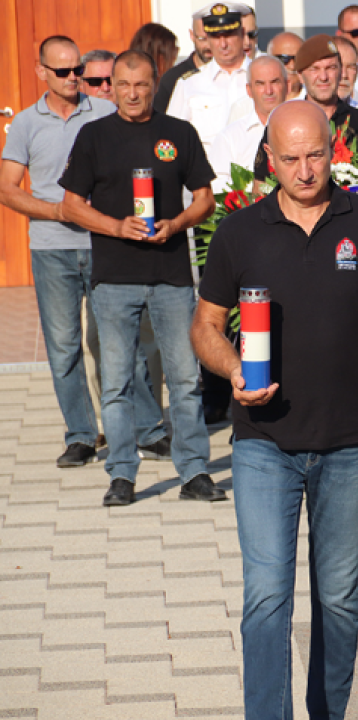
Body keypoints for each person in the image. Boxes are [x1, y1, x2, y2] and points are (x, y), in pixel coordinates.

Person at [190, 100, 358, 719]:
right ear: (269, 158)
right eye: (290, 158)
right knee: (267, 598)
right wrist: (234, 368)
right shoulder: (239, 231)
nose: (304, 170)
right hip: (263, 443)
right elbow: (206, 326)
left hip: (350, 443)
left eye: (315, 155)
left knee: (340, 602)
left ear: (333, 151)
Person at [59, 50, 222, 506]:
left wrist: (176, 223)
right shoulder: (93, 136)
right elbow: (71, 205)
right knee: (116, 383)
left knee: (185, 380)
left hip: (171, 276)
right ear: (111, 86)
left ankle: (194, 472)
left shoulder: (179, 132)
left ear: (155, 85)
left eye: (142, 85)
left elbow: (205, 199)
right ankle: (122, 475)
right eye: (124, 85)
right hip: (114, 279)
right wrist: (117, 227)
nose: (133, 94)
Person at [0, 36, 165, 468]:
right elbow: (7, 189)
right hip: (52, 250)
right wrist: (57, 210)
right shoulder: (25, 124)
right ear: (41, 72)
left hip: (106, 244)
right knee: (63, 347)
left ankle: (148, 430)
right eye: (63, 71)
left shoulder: (106, 113)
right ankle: (81, 435)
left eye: (79, 70)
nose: (74, 78)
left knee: (123, 340)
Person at [252, 34, 358, 185]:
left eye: (331, 68)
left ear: (340, 72)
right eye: (314, 69)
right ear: (300, 75)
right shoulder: (281, 124)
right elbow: (261, 186)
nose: (323, 77)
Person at [166, 3, 252, 154]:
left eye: (229, 35)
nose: (223, 44)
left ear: (242, 33)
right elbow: (172, 136)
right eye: (216, 37)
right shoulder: (189, 84)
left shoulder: (264, 77)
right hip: (207, 167)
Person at [209, 55, 287, 193]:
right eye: (260, 84)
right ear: (249, 90)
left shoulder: (306, 129)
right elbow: (217, 186)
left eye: (275, 82)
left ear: (287, 86)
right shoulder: (229, 137)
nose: (268, 91)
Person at [153, 12, 214, 113]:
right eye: (202, 39)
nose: (208, 46)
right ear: (192, 35)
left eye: (213, 38)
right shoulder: (173, 79)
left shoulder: (233, 73)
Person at [266, 31, 304, 98]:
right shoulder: (253, 101)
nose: (292, 66)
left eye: (298, 58)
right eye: (284, 59)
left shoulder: (317, 99)